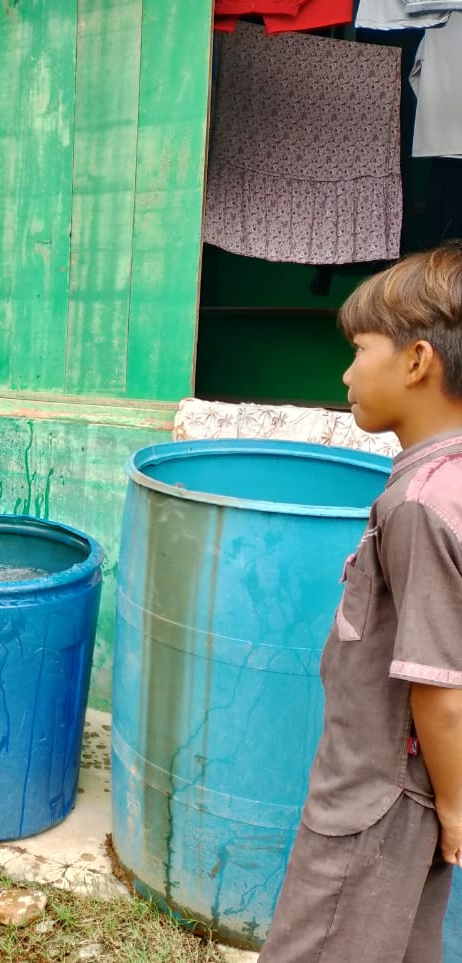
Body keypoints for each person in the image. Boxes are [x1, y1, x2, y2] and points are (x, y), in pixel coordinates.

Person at [258, 243, 462, 963]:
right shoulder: (449, 482)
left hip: (374, 800)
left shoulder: (418, 503)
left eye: (359, 349)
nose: (346, 372)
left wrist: (457, 805)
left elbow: (438, 685)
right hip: (412, 793)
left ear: (416, 361)